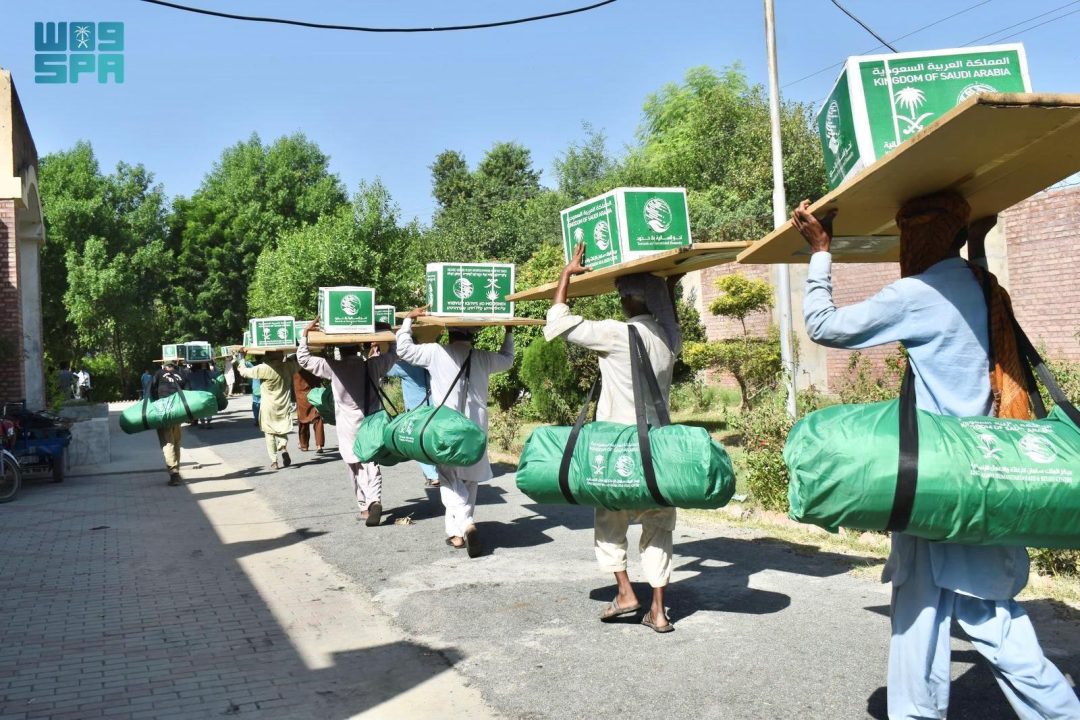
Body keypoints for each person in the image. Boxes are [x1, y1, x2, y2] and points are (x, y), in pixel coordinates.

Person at [791, 191, 1080, 719]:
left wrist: (820, 252)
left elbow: (823, 326)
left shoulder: (917, 293)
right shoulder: (985, 288)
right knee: (937, 608)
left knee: (978, 618)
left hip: (936, 479)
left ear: (916, 240)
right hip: (987, 472)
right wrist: (976, 242)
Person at [544, 242, 683, 633]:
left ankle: (625, 592)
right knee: (659, 526)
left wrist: (566, 275)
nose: (620, 300)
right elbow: (668, 316)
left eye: (623, 293)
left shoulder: (616, 333)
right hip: (657, 449)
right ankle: (659, 610)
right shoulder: (669, 339)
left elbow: (558, 322)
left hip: (616, 447)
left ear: (630, 298)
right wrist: (669, 285)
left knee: (609, 521)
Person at [396, 308, 514, 558]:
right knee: (469, 479)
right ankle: (457, 534)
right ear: (473, 334)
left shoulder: (435, 352)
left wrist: (408, 321)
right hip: (476, 429)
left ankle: (466, 523)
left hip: (446, 429)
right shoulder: (483, 357)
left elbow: (404, 349)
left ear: (448, 331)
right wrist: (508, 332)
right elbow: (508, 359)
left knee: (448, 477)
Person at [297, 319, 398, 526]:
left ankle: (364, 506)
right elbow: (394, 354)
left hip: (347, 426)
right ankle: (374, 499)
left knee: (354, 465)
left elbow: (304, 360)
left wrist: (305, 334)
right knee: (371, 461)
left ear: (339, 350)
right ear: (359, 346)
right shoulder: (373, 365)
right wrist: (390, 335)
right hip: (371, 422)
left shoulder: (332, 367)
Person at [236, 351, 298, 470]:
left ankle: (274, 461)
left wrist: (242, 358)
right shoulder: (288, 366)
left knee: (269, 433)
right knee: (282, 429)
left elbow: (244, 372)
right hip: (283, 405)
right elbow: (300, 363)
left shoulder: (264, 368)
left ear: (268, 355)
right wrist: (294, 354)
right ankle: (283, 446)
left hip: (268, 406)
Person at [386, 359, 440, 487]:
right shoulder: (430, 361)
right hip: (433, 408)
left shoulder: (405, 366)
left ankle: (433, 475)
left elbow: (384, 369)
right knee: (431, 440)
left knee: (416, 443)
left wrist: (378, 354)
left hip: (416, 411)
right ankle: (437, 472)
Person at [150, 360, 188, 486]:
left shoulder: (159, 373)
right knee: (176, 442)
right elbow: (187, 391)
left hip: (164, 412)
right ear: (175, 366)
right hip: (178, 413)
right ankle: (177, 471)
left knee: (168, 443)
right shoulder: (181, 375)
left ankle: (174, 474)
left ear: (164, 366)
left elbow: (151, 389)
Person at [292, 366, 325, 454]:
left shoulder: (295, 371)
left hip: (300, 397)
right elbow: (318, 381)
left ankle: (304, 445)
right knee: (317, 420)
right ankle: (319, 445)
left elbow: (292, 386)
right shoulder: (311, 368)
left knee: (303, 421)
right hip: (312, 396)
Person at [186, 362, 214, 426]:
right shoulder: (204, 372)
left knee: (199, 407)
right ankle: (208, 422)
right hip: (205, 392)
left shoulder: (190, 374)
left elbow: (188, 385)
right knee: (207, 407)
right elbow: (210, 380)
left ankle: (202, 422)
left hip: (195, 394)